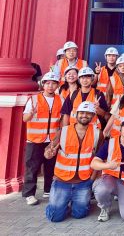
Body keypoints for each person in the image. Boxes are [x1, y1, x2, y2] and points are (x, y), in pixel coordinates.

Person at [44, 102, 102, 222]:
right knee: (54, 217)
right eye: (82, 113)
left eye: (88, 113)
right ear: (76, 114)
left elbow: (99, 159)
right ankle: (62, 204)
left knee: (79, 214)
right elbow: (49, 150)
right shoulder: (63, 131)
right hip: (62, 180)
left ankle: (74, 202)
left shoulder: (97, 133)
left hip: (84, 181)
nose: (84, 115)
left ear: (93, 116)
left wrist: (91, 179)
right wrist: (49, 153)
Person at [22, 71, 63, 205]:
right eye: (48, 83)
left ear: (57, 85)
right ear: (43, 84)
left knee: (51, 167)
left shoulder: (61, 99)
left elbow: (62, 121)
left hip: (52, 140)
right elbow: (25, 118)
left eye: (53, 83)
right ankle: (29, 194)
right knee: (32, 167)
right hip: (35, 139)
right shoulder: (34, 99)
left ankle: (48, 190)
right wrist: (31, 114)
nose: (50, 86)